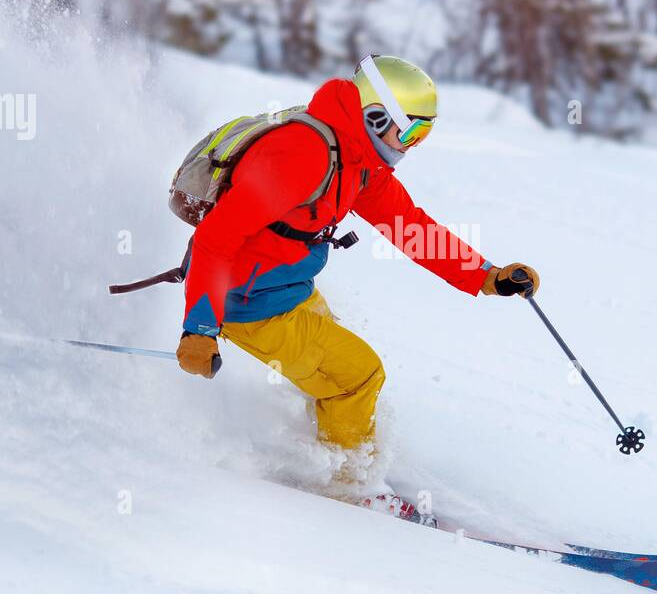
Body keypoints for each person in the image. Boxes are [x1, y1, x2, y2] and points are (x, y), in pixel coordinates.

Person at [175, 55, 538, 517]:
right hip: (249, 302)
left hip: (289, 287)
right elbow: (214, 241)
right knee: (358, 375)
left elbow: (409, 226)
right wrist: (200, 329)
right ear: (376, 116)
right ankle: (347, 489)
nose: (414, 145)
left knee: (336, 376)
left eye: (424, 135)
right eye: (411, 133)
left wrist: (486, 275)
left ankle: (330, 449)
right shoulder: (300, 155)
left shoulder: (356, 159)